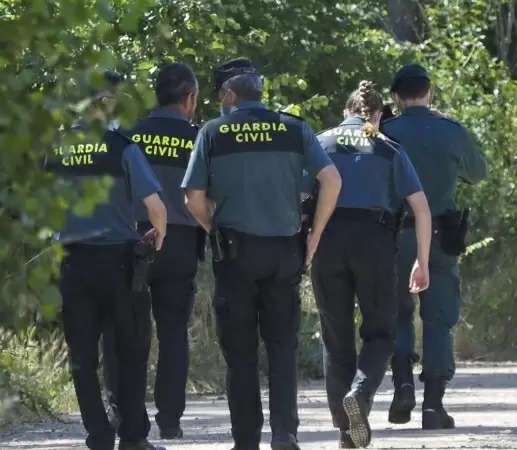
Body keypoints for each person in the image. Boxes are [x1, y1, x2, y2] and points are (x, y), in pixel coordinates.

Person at [181, 58, 341, 450]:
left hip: (235, 253)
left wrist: (213, 229)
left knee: (240, 352)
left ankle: (246, 440)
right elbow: (331, 180)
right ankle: (285, 435)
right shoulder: (294, 128)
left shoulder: (213, 132)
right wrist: (315, 233)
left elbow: (192, 197)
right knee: (282, 347)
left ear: (230, 96)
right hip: (285, 251)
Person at [44, 70, 168, 450]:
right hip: (119, 263)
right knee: (129, 351)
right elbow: (156, 207)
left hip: (74, 263)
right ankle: (132, 437)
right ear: (103, 102)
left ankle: (98, 435)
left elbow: (43, 212)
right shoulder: (122, 147)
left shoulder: (58, 148)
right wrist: (157, 237)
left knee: (82, 355)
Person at [306, 80, 432, 449]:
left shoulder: (320, 143)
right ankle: (360, 394)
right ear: (377, 115)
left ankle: (346, 432)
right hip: (374, 242)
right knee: (380, 333)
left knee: (336, 335)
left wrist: (305, 246)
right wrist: (421, 262)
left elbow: (300, 197)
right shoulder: (389, 148)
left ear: (346, 112)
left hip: (327, 240)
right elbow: (421, 208)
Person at [381, 64, 487, 430]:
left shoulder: (384, 131)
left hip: (393, 236)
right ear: (430, 94)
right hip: (441, 236)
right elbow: (478, 173)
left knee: (397, 312)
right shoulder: (451, 131)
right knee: (439, 318)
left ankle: (403, 387)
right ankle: (433, 405)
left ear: (396, 98)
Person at [101, 62, 204, 440]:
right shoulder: (198, 139)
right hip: (180, 242)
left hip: (133, 240)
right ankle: (171, 420)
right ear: (189, 99)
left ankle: (126, 416)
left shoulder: (129, 135)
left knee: (124, 330)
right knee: (173, 330)